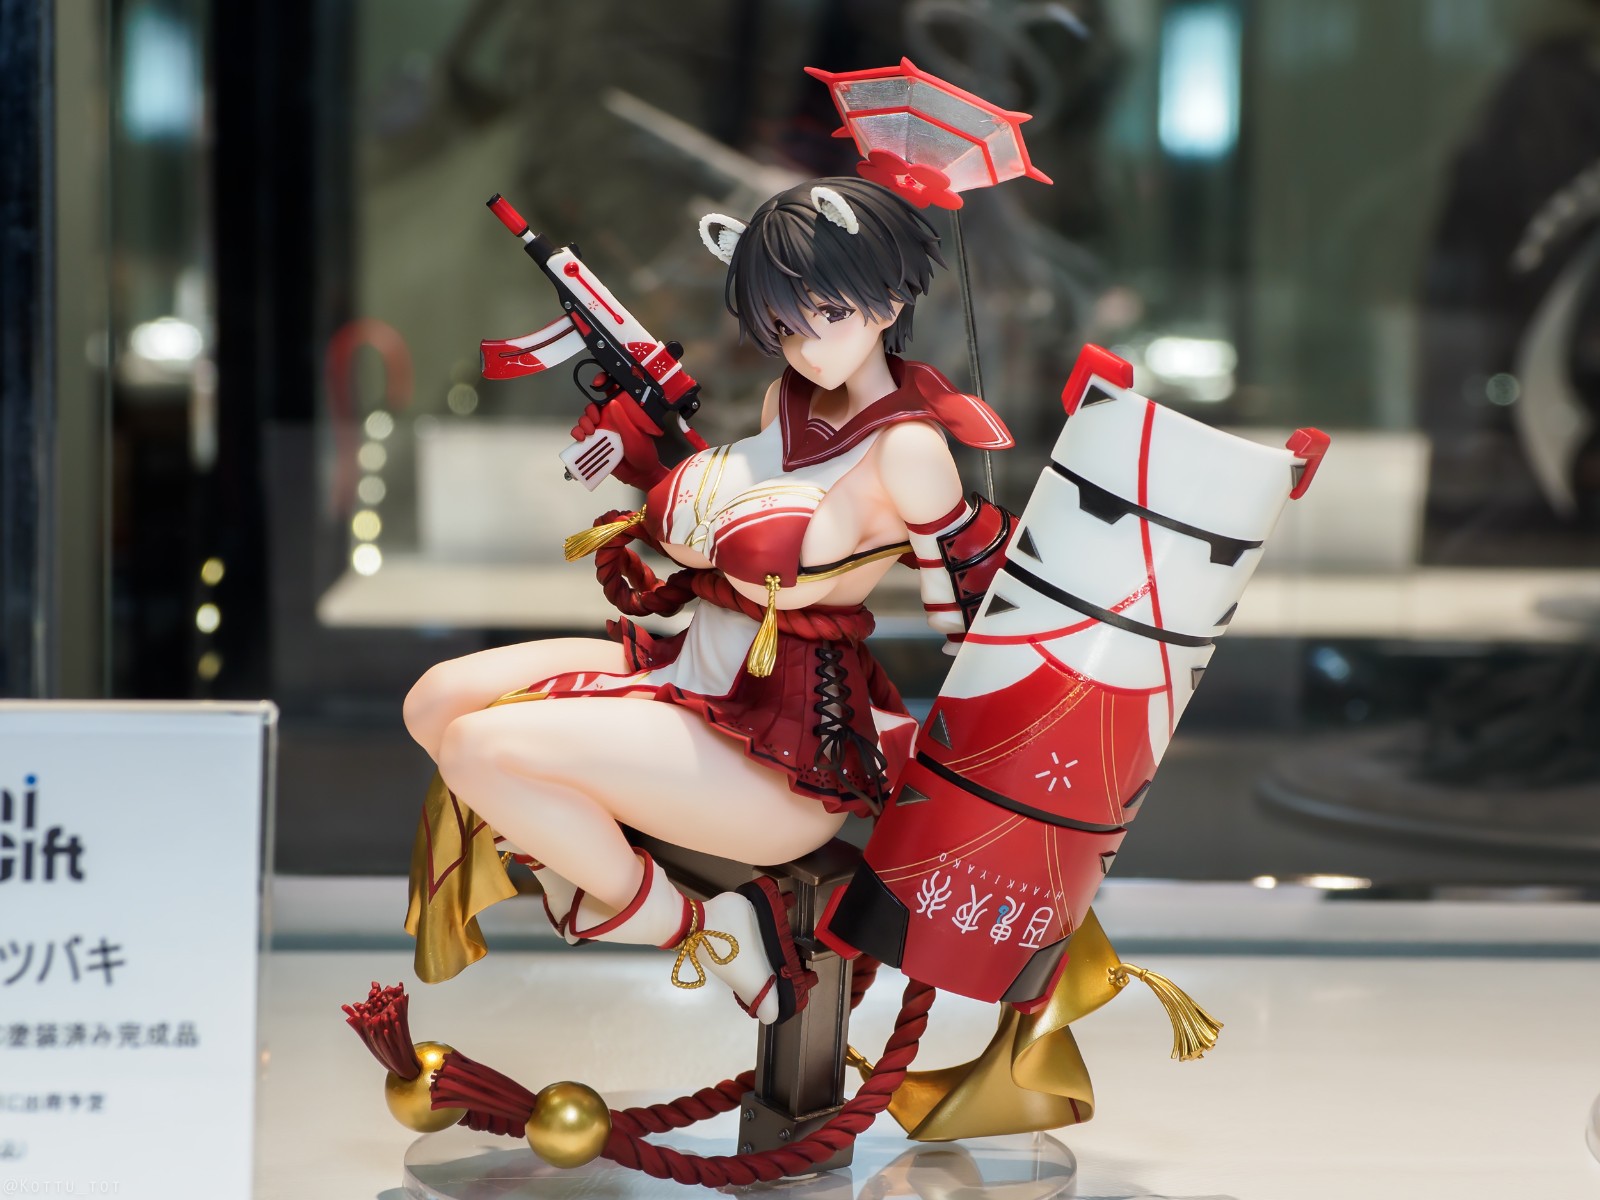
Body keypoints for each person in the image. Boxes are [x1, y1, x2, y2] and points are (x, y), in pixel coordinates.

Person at [401, 176, 1013, 1024]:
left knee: (480, 750)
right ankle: (579, 854)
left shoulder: (909, 448)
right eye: (783, 325)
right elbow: (722, 515)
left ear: (888, 299)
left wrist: (977, 778)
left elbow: (977, 619)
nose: (806, 346)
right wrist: (645, 457)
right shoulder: (785, 401)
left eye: (828, 313)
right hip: (694, 668)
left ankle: (707, 933)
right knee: (434, 701)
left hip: (784, 751)